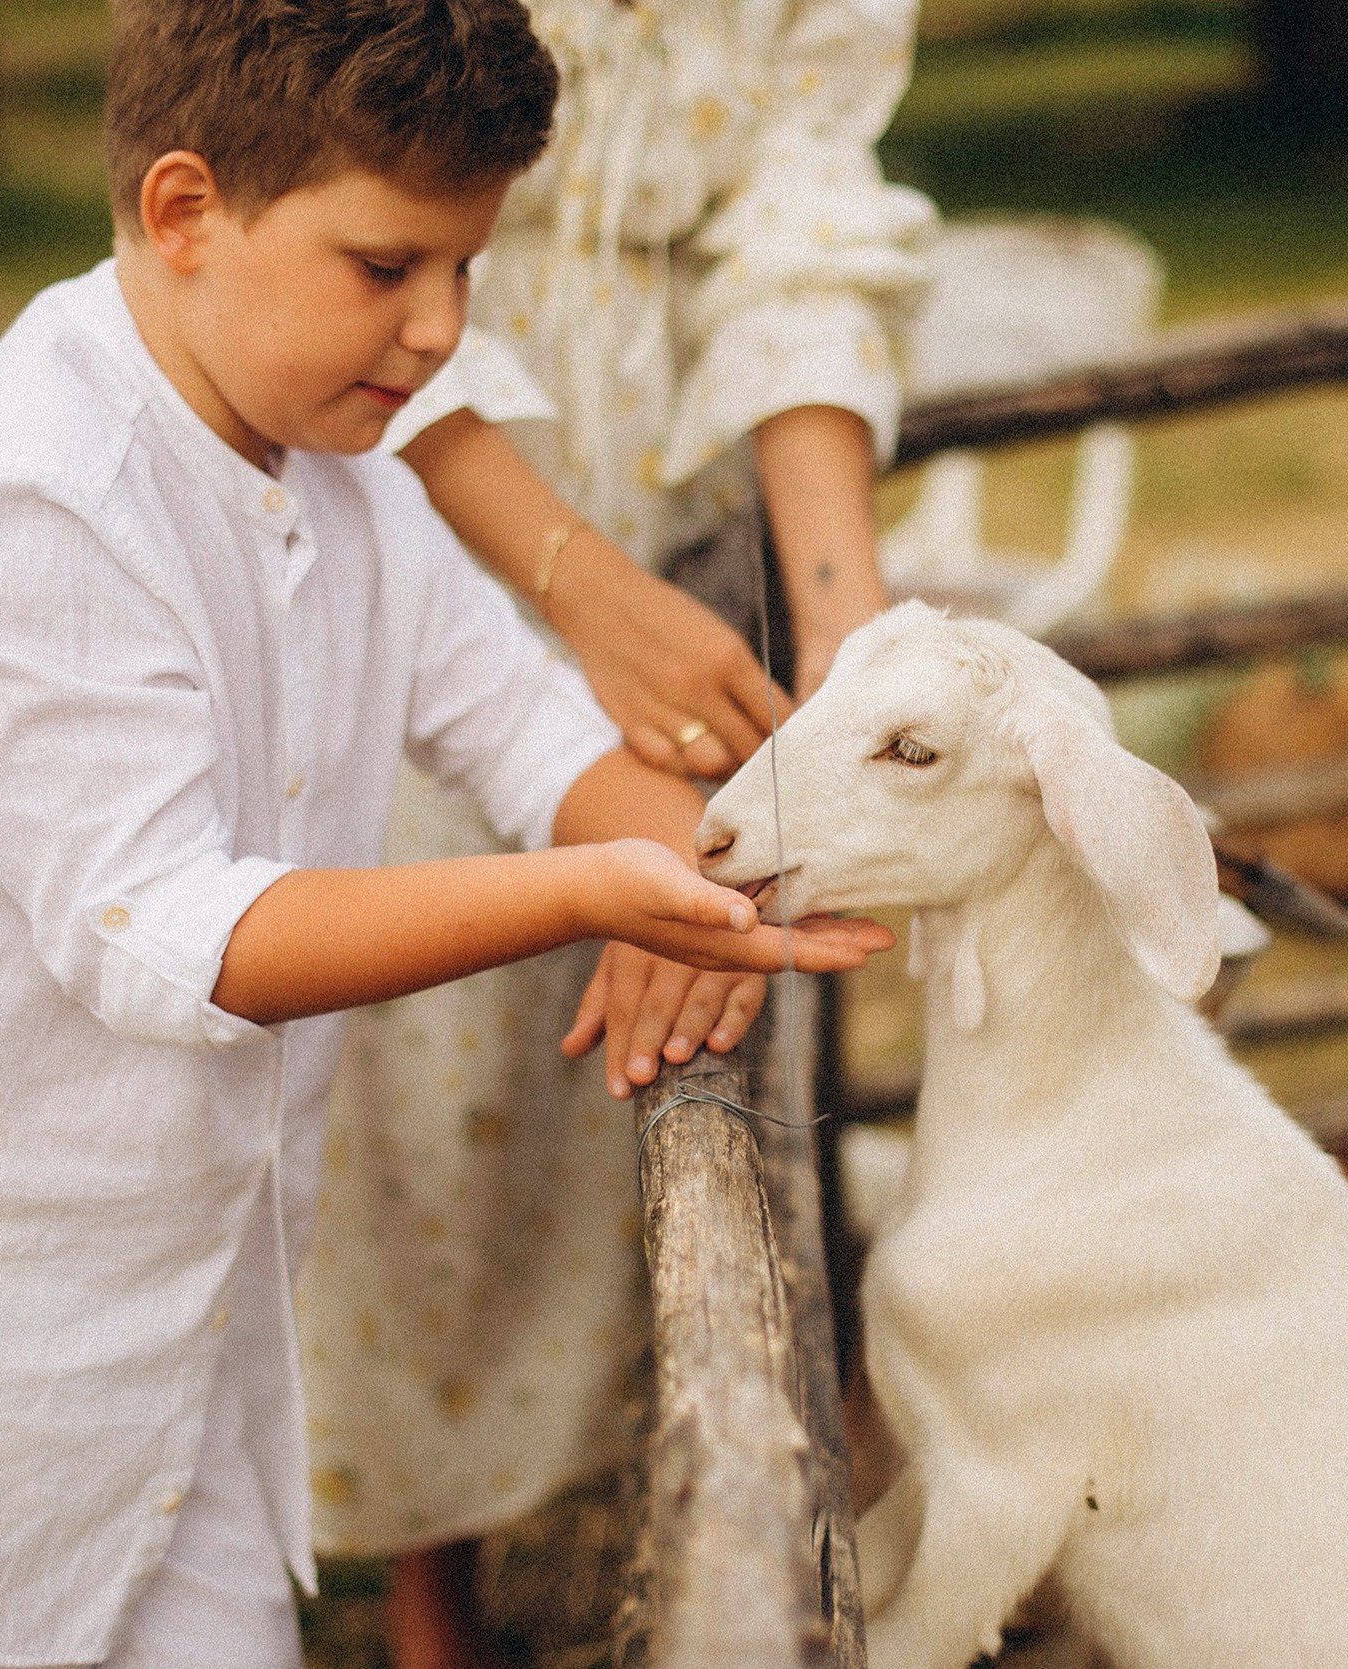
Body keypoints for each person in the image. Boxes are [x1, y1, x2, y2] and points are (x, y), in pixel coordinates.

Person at [0, 3, 893, 1665]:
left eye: (468, 274)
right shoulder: (29, 493)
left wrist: (688, 873)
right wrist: (591, 889)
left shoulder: (350, 474)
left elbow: (527, 724)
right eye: (387, 267)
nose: (437, 334)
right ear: (187, 212)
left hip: (160, 1327)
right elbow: (176, 936)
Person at [291, 3, 936, 1663]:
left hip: (674, 514)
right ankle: (430, 1581)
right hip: (409, 476)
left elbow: (800, 232)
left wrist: (844, 639)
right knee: (412, 1083)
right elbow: (352, 225)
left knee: (613, 1053)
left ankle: (622, 1475)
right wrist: (569, 580)